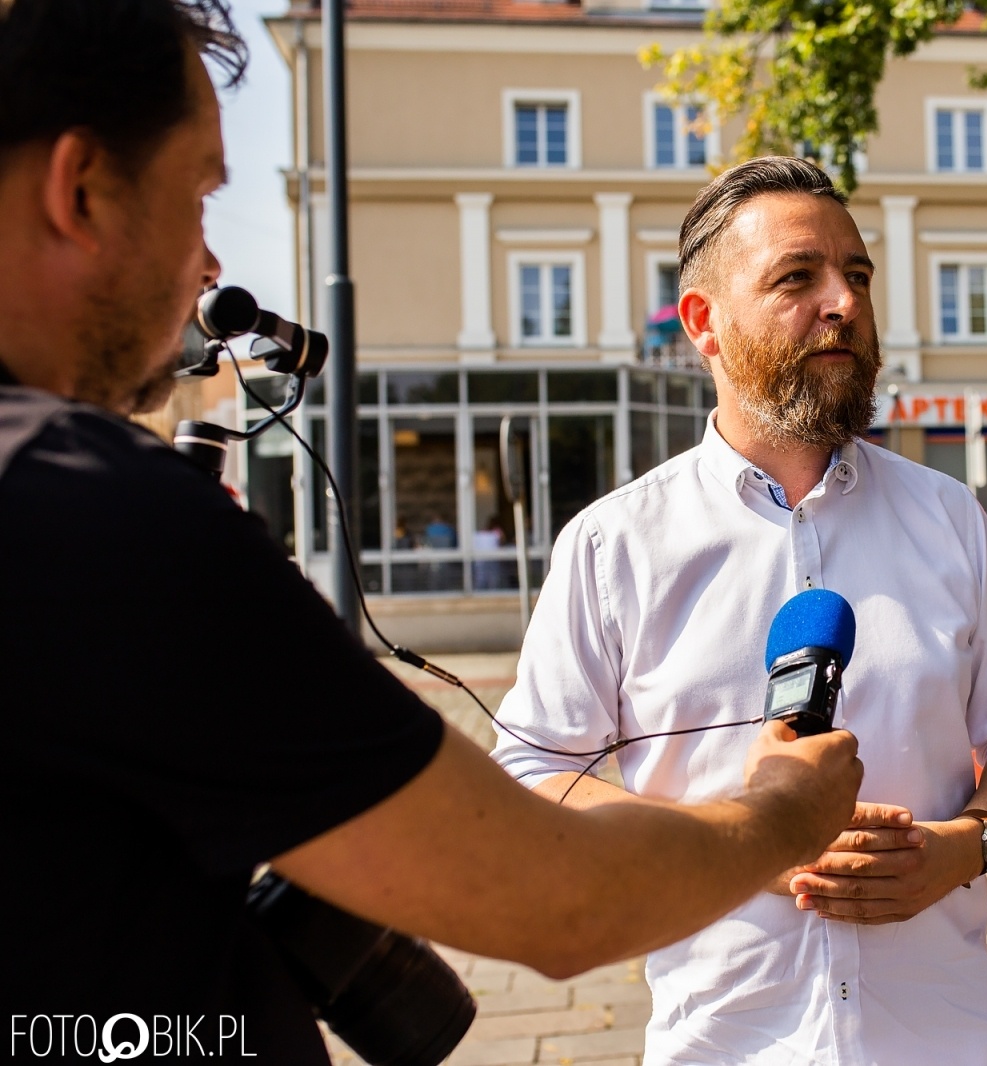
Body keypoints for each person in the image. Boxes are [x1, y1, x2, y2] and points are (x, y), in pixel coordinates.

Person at [0, 4, 863, 1062]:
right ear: (81, 189)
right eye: (197, 194)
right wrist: (781, 813)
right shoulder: (98, 513)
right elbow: (554, 897)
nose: (210, 260)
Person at [492, 157, 987, 1066]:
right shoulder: (614, 546)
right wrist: (738, 845)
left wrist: (967, 845)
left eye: (858, 275)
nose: (843, 301)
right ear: (704, 322)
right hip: (724, 1044)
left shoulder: (949, 517)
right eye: (797, 277)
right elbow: (534, 768)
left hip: (955, 1039)